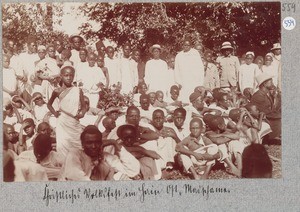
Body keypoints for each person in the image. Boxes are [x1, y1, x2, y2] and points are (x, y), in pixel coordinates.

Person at [60, 125, 131, 181]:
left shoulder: (104, 160)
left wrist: (114, 142)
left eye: (96, 142)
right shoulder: (74, 154)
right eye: (89, 143)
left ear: (101, 143)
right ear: (83, 143)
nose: (93, 146)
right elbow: (75, 176)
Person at [47, 66, 87, 159]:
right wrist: (55, 113)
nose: (69, 78)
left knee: (77, 144)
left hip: (74, 122)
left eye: (71, 75)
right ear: (61, 76)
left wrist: (82, 113)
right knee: (63, 146)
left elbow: (84, 107)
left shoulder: (78, 90)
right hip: (62, 122)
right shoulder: (57, 91)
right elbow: (49, 105)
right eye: (66, 75)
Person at [251, 72, 281, 141]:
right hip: (263, 121)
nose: (273, 83)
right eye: (271, 81)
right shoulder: (258, 96)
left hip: (268, 118)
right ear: (264, 84)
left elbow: (273, 110)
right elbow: (267, 113)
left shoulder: (266, 94)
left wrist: (275, 98)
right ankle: (271, 138)